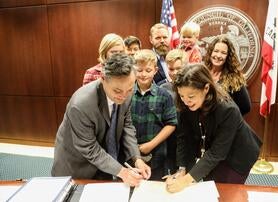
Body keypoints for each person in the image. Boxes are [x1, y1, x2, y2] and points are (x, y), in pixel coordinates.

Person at [52, 53, 151, 187]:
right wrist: (122, 172)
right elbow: (89, 148)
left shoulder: (126, 91)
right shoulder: (81, 104)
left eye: (129, 89)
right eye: (117, 91)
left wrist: (137, 158)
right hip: (77, 164)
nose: (123, 96)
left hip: (105, 161)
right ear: (103, 79)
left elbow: (127, 126)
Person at [165, 63, 261, 193]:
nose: (186, 101)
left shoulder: (228, 109)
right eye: (182, 96)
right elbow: (183, 137)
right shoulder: (185, 103)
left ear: (206, 88)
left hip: (237, 154)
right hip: (212, 150)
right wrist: (182, 169)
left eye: (191, 97)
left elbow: (217, 152)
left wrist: (186, 180)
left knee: (224, 192)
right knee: (208, 186)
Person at [131, 49, 177, 180]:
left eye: (148, 70)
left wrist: (151, 144)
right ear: (134, 70)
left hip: (157, 155)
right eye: (139, 70)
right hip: (131, 154)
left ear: (155, 70)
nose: (143, 74)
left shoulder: (164, 95)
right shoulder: (127, 94)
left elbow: (171, 123)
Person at [204, 35, 251, 115]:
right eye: (216, 51)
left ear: (228, 56)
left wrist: (229, 118)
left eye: (223, 53)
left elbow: (246, 107)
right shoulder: (202, 72)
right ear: (210, 52)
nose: (218, 56)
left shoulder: (234, 79)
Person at [160, 49, 188, 173]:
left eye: (179, 68)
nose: (175, 72)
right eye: (171, 69)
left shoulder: (193, 87)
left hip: (187, 138)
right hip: (169, 139)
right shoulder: (162, 88)